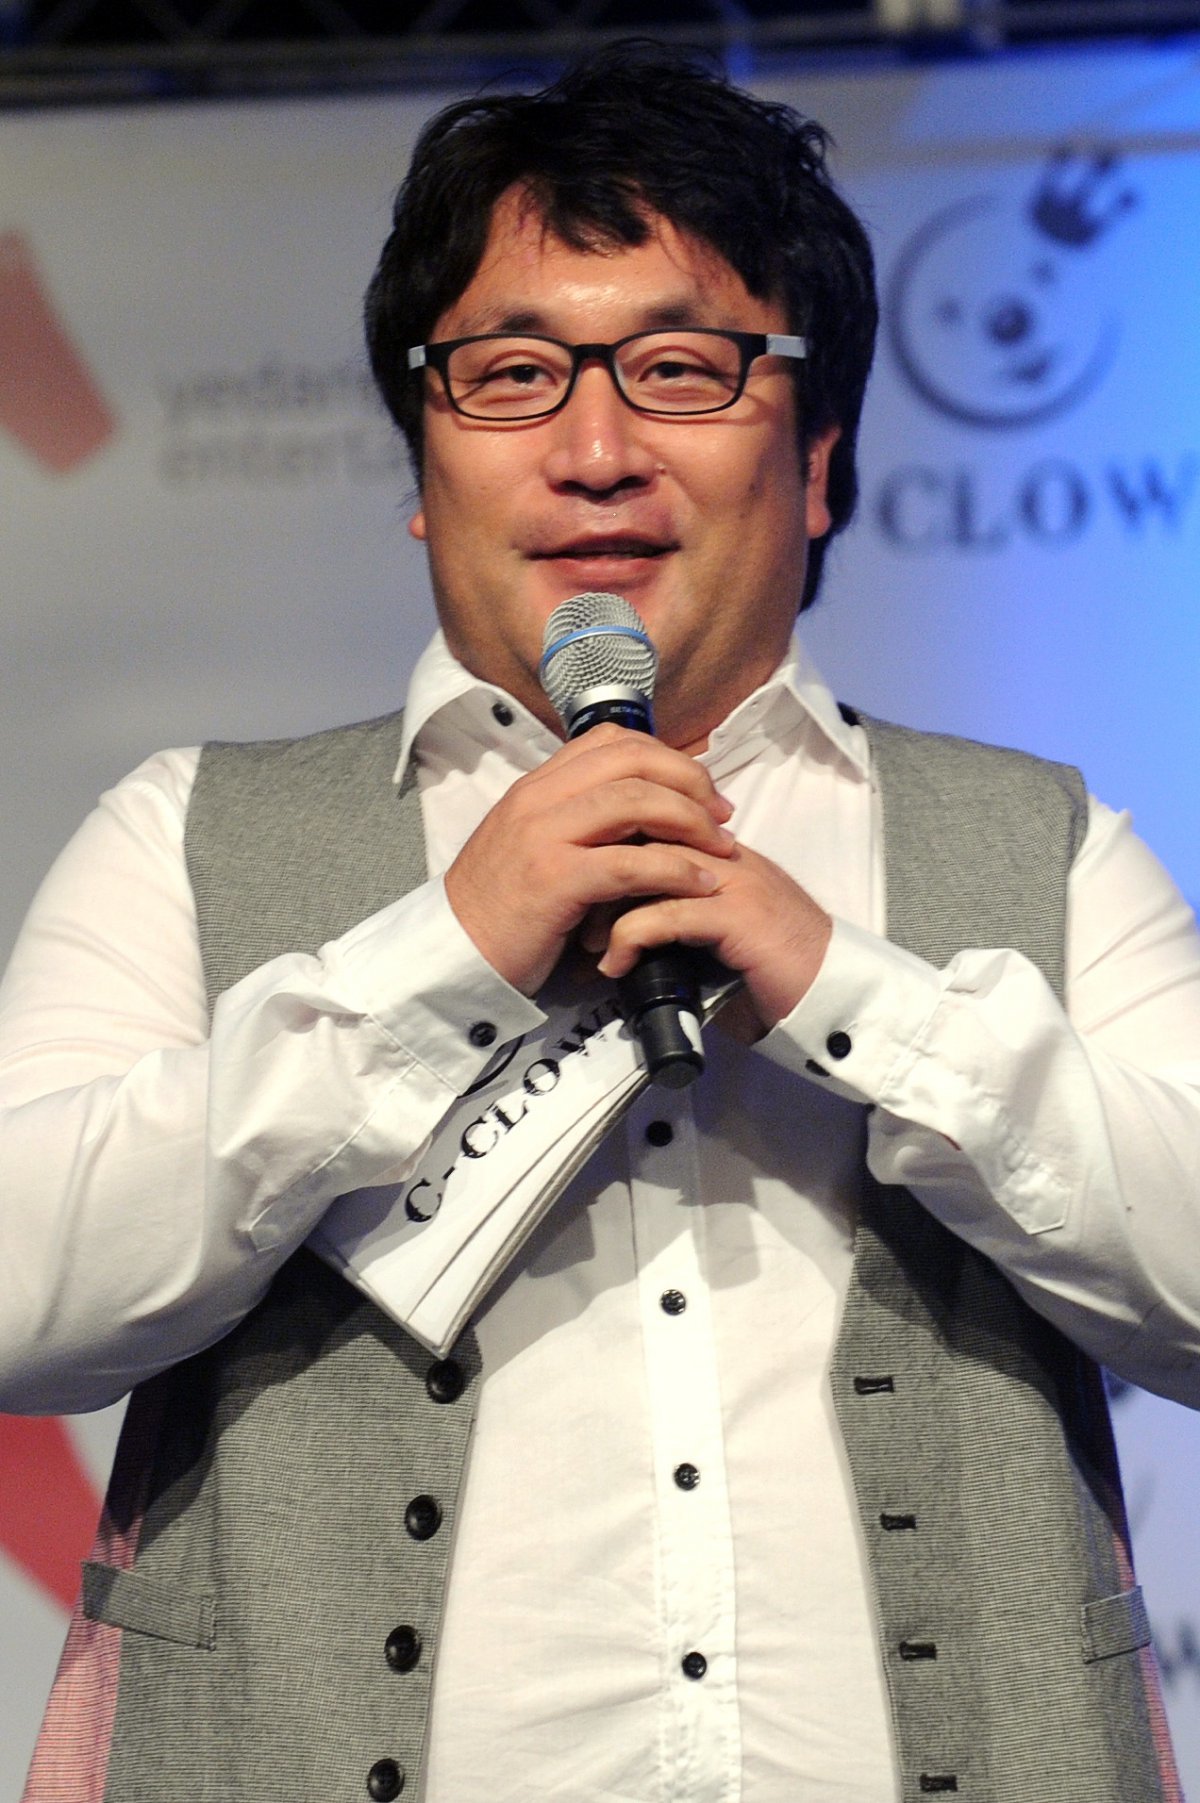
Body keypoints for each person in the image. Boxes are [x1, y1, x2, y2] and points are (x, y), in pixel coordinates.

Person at [4, 41, 1199, 1803]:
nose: (592, 450)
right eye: (509, 375)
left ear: (819, 460)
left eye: (679, 369)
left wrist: (849, 994)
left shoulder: (1046, 843)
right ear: (422, 467)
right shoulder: (184, 833)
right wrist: (441, 960)